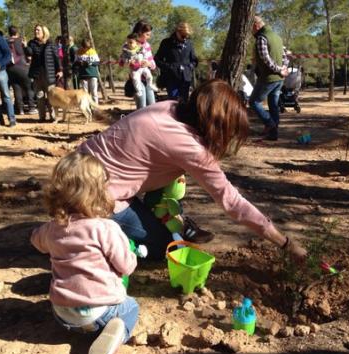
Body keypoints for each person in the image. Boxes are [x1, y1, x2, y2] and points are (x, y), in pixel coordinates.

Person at [78, 79, 307, 262]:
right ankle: (79, 234)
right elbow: (233, 203)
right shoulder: (190, 148)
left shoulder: (169, 107)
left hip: (75, 170)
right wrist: (285, 243)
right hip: (94, 195)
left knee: (175, 231)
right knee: (167, 248)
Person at [30, 152, 139, 354]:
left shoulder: (52, 228)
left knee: (71, 308)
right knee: (131, 306)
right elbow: (126, 267)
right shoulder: (105, 228)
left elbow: (36, 241)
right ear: (100, 192)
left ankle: (85, 327)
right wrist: (131, 253)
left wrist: (44, 235)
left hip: (61, 315)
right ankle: (118, 332)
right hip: (100, 312)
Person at [249, 16, 289, 141]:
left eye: (250, 28)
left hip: (268, 78)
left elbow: (266, 59)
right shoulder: (277, 37)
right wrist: (284, 69)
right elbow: (285, 57)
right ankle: (273, 133)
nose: (250, 32)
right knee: (273, 105)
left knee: (253, 102)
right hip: (279, 79)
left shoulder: (262, 38)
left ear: (256, 26)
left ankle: (270, 125)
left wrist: (278, 69)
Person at [26, 24, 62, 122]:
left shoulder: (51, 44)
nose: (36, 32)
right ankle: (42, 117)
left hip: (49, 74)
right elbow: (29, 53)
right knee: (39, 96)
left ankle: (53, 117)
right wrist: (25, 46)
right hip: (37, 74)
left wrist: (60, 70)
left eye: (38, 30)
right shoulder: (32, 43)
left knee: (51, 97)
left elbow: (56, 59)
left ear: (44, 32)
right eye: (35, 30)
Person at [155, 22, 198, 102]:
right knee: (173, 102)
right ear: (177, 32)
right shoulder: (166, 43)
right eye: (183, 35)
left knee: (184, 102)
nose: (185, 38)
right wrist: (170, 67)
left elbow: (194, 60)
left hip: (186, 79)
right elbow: (157, 59)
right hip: (171, 78)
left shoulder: (189, 43)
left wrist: (189, 67)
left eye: (187, 36)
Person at [119, 22, 157, 109]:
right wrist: (128, 62)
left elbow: (153, 64)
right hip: (136, 80)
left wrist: (148, 64)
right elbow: (121, 62)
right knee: (142, 107)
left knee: (152, 106)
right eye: (147, 34)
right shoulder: (128, 45)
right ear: (140, 33)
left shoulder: (147, 45)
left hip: (146, 78)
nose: (149, 37)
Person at [6, 25, 37, 115]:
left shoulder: (6, 41)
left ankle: (20, 109)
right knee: (29, 87)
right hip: (22, 66)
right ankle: (31, 107)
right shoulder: (21, 40)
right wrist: (26, 45)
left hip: (10, 68)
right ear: (17, 32)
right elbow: (29, 53)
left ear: (9, 32)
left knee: (16, 88)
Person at [74, 38, 100, 104]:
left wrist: (90, 63)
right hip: (83, 75)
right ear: (82, 46)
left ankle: (95, 109)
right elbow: (75, 63)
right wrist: (80, 63)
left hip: (92, 74)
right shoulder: (78, 52)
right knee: (85, 94)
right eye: (85, 47)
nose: (86, 49)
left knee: (94, 92)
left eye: (88, 48)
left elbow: (97, 62)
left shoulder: (93, 51)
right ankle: (87, 108)